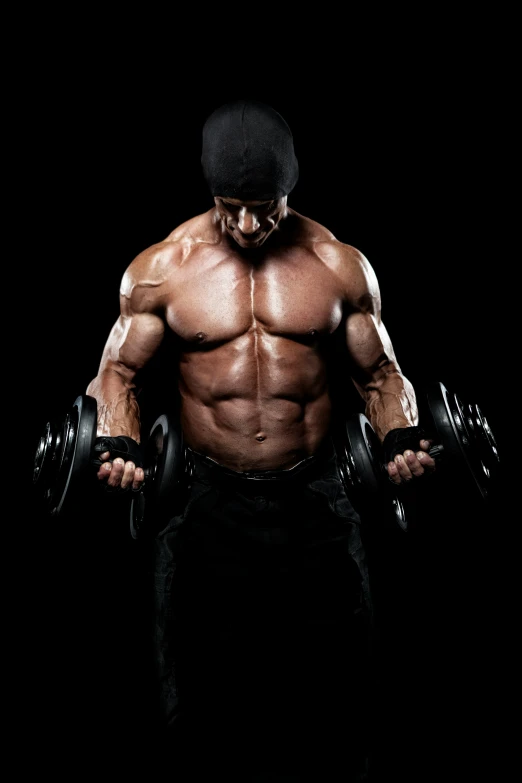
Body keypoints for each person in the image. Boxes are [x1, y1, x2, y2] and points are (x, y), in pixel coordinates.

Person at [85, 99, 436, 781]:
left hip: (318, 500)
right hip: (206, 504)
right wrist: (119, 442)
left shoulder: (337, 266)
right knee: (199, 707)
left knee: (341, 698)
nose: (248, 225)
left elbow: (382, 375)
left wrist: (401, 437)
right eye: (230, 207)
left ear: (290, 190)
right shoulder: (163, 269)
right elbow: (117, 372)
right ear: (209, 192)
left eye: (265, 208)